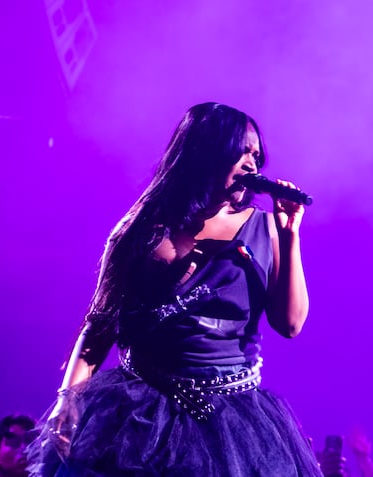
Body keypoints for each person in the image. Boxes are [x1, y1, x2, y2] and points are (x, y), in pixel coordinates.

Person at [27, 102, 322, 476]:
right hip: (140, 412)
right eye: (242, 150)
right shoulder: (142, 229)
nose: (252, 164)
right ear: (207, 150)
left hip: (232, 421)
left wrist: (289, 232)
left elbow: (291, 324)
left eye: (257, 156)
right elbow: (100, 324)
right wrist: (67, 401)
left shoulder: (269, 229)